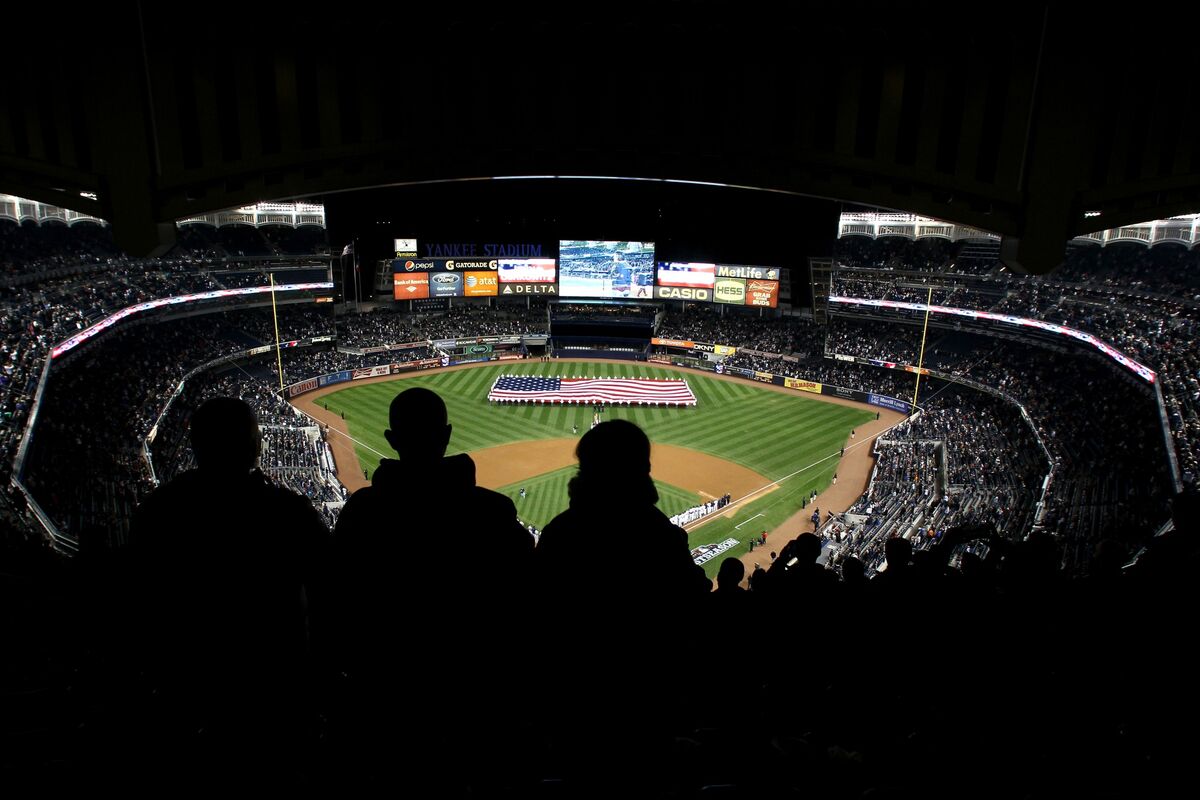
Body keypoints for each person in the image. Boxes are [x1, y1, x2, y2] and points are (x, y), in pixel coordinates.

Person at [120, 397, 330, 782]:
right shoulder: (288, 510)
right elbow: (330, 590)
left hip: (189, 689)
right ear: (255, 447)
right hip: (278, 688)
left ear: (196, 446)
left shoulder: (158, 510)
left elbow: (139, 600)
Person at [332, 387, 534, 784]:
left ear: (391, 441)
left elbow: (335, 604)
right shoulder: (492, 511)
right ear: (447, 435)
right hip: (478, 702)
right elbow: (529, 603)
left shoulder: (362, 514)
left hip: (384, 701)